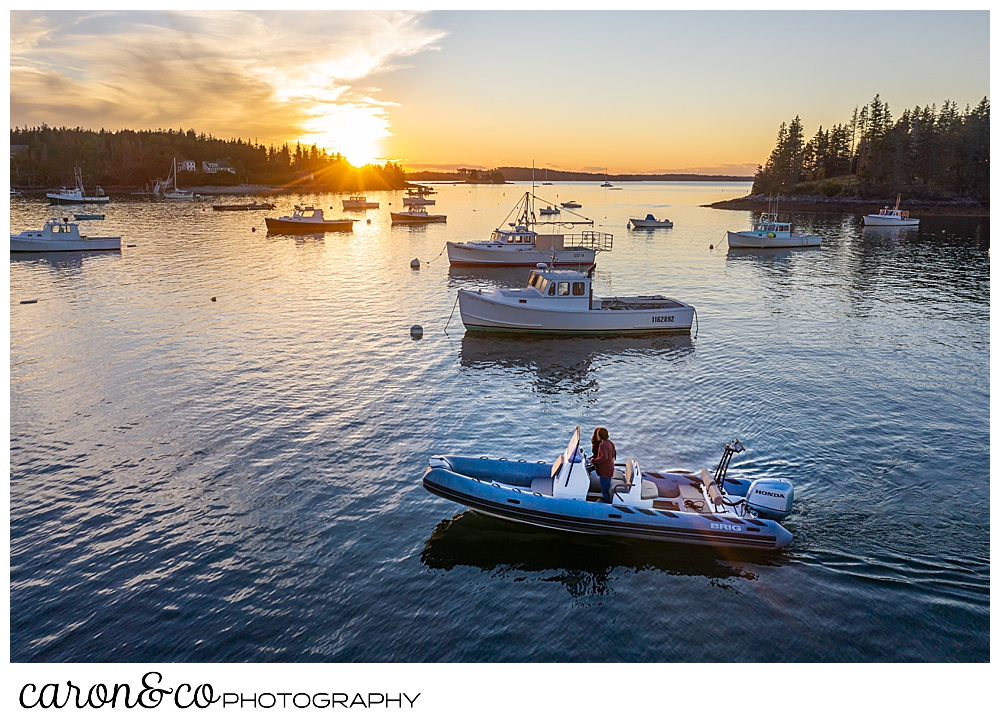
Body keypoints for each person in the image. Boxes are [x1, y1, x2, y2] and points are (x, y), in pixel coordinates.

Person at [591, 427, 616, 503]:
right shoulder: (611, 443)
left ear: (600, 436)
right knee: (607, 485)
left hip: (605, 470)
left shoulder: (602, 445)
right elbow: (612, 455)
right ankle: (606, 499)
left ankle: (607, 502)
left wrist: (594, 460)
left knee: (605, 488)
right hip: (610, 468)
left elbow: (604, 457)